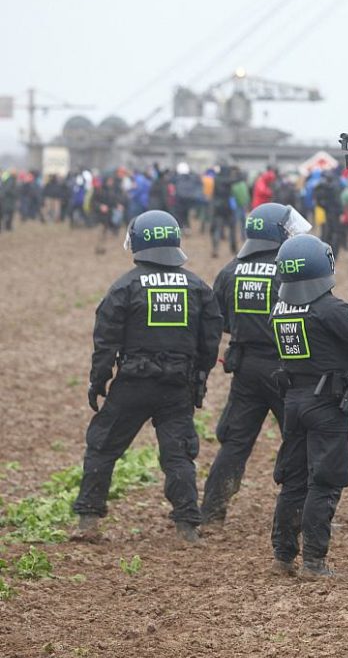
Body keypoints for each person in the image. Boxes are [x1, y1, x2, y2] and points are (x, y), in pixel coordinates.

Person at [73, 210, 222, 543]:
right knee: (178, 454)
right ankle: (187, 526)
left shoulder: (124, 286)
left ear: (138, 242)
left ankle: (87, 520)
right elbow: (209, 344)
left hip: (132, 383)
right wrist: (198, 382)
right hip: (176, 386)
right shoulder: (198, 287)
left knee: (102, 446)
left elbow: (105, 341)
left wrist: (98, 381)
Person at [269, 233, 348, 579]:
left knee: (294, 481)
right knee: (326, 481)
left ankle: (283, 556)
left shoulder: (280, 308)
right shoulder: (331, 309)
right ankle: (314, 561)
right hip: (326, 405)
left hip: (294, 401)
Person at [200, 203, 309, 526]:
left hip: (245, 366)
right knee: (298, 438)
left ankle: (211, 511)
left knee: (235, 442)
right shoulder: (289, 269)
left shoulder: (230, 270)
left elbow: (217, 319)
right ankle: (296, 513)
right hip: (285, 367)